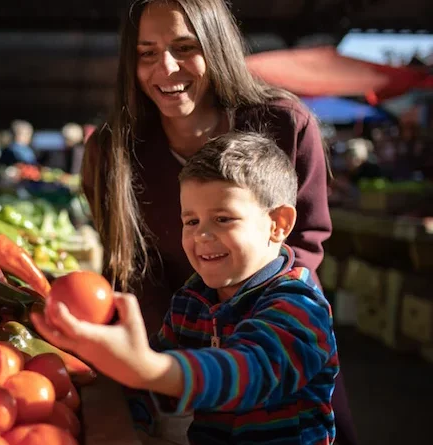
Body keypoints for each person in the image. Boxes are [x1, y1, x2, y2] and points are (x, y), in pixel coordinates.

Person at [79, 1, 356, 443]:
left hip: (273, 339)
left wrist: (161, 365)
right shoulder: (112, 151)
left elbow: (305, 242)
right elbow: (134, 269)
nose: (164, 67)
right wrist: (130, 386)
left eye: (184, 46)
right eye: (146, 52)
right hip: (182, 361)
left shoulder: (286, 123)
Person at [34, 132, 339, 444]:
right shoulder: (192, 300)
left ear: (279, 224)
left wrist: (150, 368)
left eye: (223, 218)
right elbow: (154, 389)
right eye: (190, 222)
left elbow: (249, 372)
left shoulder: (300, 306)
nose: (202, 236)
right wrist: (135, 420)